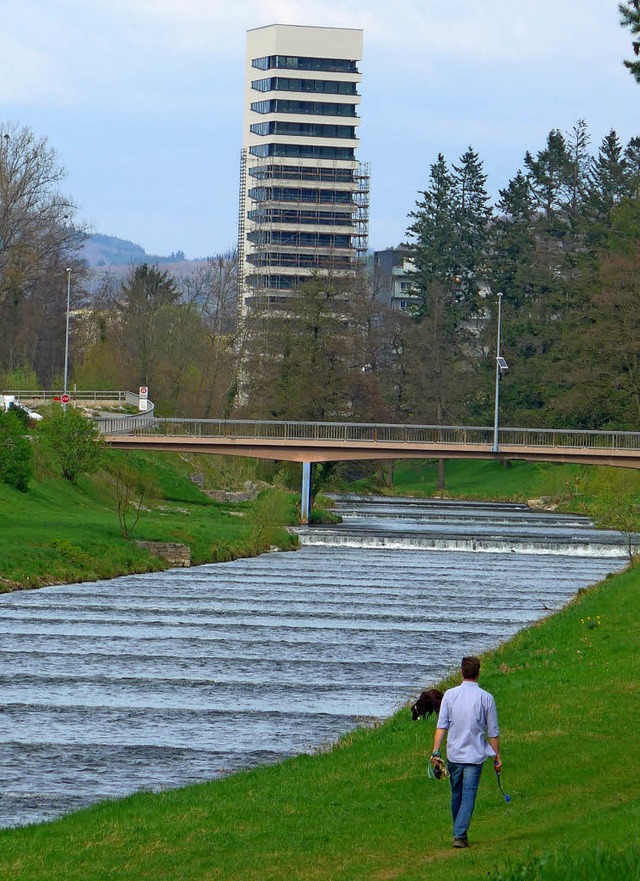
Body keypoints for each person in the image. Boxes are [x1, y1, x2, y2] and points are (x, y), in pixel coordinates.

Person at [430, 655, 501, 848]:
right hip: (475, 755)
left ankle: (459, 832)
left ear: (462, 672)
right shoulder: (486, 698)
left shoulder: (450, 695)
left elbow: (441, 726)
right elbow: (493, 733)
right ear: (478, 673)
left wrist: (435, 751)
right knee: (468, 795)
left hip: (454, 754)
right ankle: (460, 834)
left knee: (457, 794)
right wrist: (497, 757)